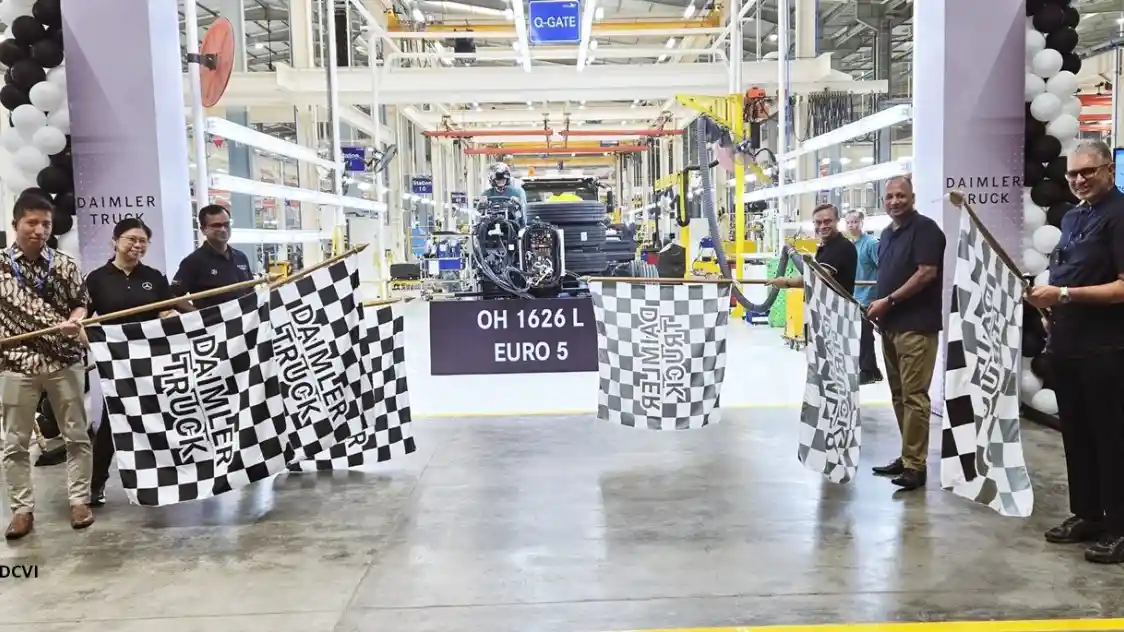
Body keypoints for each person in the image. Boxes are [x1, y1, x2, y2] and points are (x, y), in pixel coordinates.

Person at [1027, 139, 1124, 565]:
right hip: (1068, 345)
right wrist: (1050, 307)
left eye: (1088, 171)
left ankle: (1119, 526)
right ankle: (1087, 513)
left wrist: (1064, 294)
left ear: (1109, 171)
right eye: (1072, 174)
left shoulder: (1120, 216)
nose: (1079, 179)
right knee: (1077, 436)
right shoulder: (1072, 217)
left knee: (1112, 439)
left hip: (1107, 349)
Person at [0, 192, 94, 538]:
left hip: (63, 359)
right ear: (16, 224)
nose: (39, 230)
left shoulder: (64, 264)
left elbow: (81, 303)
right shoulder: (0, 266)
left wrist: (74, 320)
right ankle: (21, 510)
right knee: (15, 443)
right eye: (32, 223)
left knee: (76, 435)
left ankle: (80, 501)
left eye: (46, 224)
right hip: (16, 363)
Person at [83, 218, 193, 506]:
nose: (137, 245)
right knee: (112, 423)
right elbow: (82, 320)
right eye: (131, 239)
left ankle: (165, 480)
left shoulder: (153, 276)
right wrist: (95, 346)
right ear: (115, 241)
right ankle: (96, 484)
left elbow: (163, 311)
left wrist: (170, 317)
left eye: (143, 241)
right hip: (117, 364)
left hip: (151, 359)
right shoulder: (97, 279)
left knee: (159, 418)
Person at [865, 176, 945, 492]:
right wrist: (881, 309)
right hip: (891, 327)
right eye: (889, 197)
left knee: (914, 397)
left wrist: (889, 301)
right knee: (899, 395)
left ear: (912, 198)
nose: (895, 201)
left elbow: (926, 274)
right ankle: (908, 455)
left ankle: (916, 466)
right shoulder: (886, 234)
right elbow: (887, 276)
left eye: (901, 195)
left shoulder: (926, 230)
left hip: (916, 327)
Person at [170, 204, 254, 310]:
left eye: (226, 224)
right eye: (216, 225)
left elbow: (251, 289)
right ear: (203, 229)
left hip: (246, 318)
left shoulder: (241, 257)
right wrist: (199, 315)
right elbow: (174, 296)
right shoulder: (193, 262)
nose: (223, 229)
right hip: (215, 320)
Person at [767, 203, 857, 294]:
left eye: (827, 221)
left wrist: (787, 282)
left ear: (837, 220)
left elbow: (816, 278)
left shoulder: (841, 246)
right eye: (818, 222)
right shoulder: (826, 247)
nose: (822, 226)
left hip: (835, 303)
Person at [845, 210, 883, 384]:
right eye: (848, 222)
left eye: (855, 222)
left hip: (868, 297)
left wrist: (879, 297)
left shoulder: (871, 244)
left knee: (864, 335)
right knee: (863, 335)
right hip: (855, 297)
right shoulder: (851, 245)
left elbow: (883, 268)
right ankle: (874, 371)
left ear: (862, 223)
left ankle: (867, 371)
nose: (851, 225)